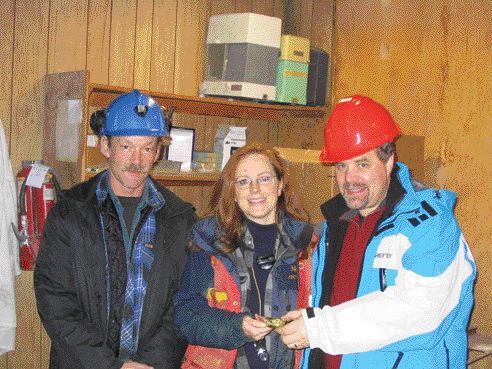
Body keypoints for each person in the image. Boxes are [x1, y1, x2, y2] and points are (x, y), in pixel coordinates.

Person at [276, 95, 477, 369]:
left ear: (388, 160)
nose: (349, 179)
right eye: (341, 166)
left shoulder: (429, 224)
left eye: (362, 163)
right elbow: (334, 303)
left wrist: (319, 328)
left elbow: (418, 311)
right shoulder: (335, 226)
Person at [34, 90, 198, 369]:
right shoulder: (70, 212)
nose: (136, 160)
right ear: (106, 146)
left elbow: (185, 300)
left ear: (158, 152)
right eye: (126, 147)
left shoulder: (180, 217)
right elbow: (55, 299)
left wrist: (150, 363)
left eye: (147, 148)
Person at [174, 143, 319, 369]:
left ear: (280, 185)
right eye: (243, 182)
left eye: (264, 179)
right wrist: (236, 327)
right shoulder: (207, 241)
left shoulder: (308, 245)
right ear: (232, 191)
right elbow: (185, 316)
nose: (254, 190)